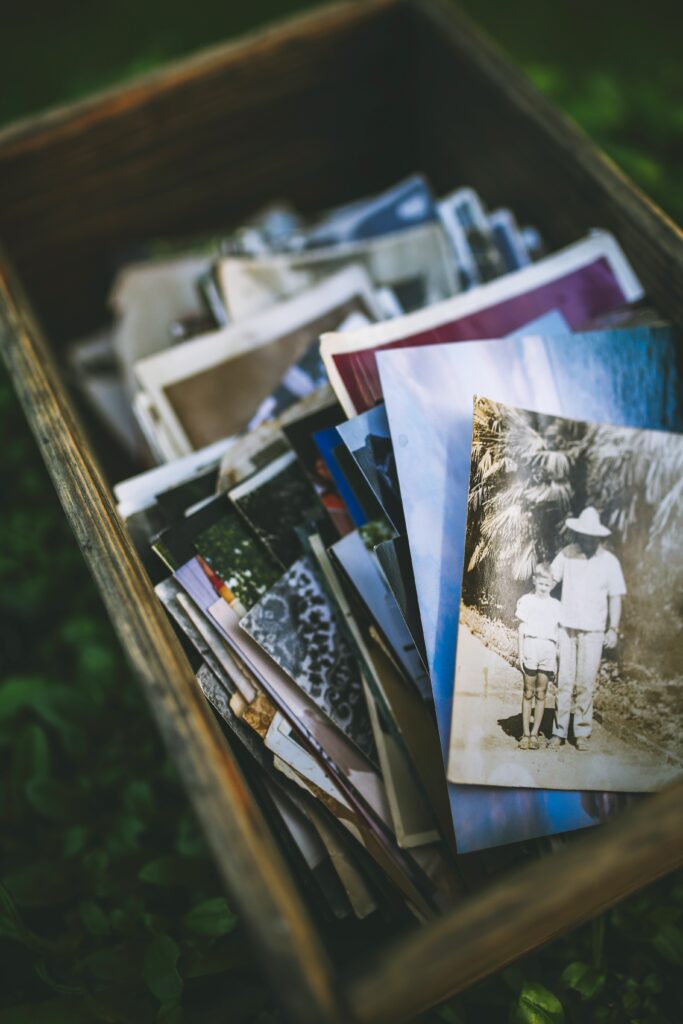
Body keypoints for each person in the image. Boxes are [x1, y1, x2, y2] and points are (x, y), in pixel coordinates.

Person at [548, 507, 626, 751]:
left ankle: (581, 732)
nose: (586, 539)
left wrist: (613, 628)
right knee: (564, 680)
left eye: (590, 536)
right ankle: (558, 731)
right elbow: (548, 580)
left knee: (586, 682)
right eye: (582, 535)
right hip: (567, 627)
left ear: (598, 537)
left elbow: (615, 597)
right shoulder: (568, 554)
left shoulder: (610, 562)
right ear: (578, 534)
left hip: (593, 631)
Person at [515, 563, 562, 750]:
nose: (544, 588)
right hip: (531, 647)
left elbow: (557, 635)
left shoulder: (556, 606)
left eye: (547, 584)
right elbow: (521, 629)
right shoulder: (526, 601)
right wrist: (520, 653)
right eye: (541, 583)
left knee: (541, 693)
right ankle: (525, 733)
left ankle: (535, 735)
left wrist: (556, 661)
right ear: (534, 581)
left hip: (548, 650)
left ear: (552, 584)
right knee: (528, 691)